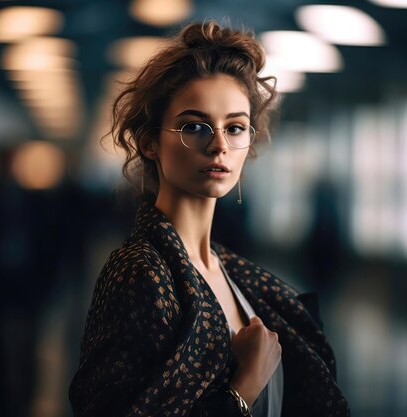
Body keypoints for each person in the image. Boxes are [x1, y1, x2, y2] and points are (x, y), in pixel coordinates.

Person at [68, 21, 350, 417]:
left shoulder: (233, 272)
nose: (219, 145)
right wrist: (244, 385)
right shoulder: (140, 271)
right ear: (149, 142)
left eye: (234, 127)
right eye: (194, 126)